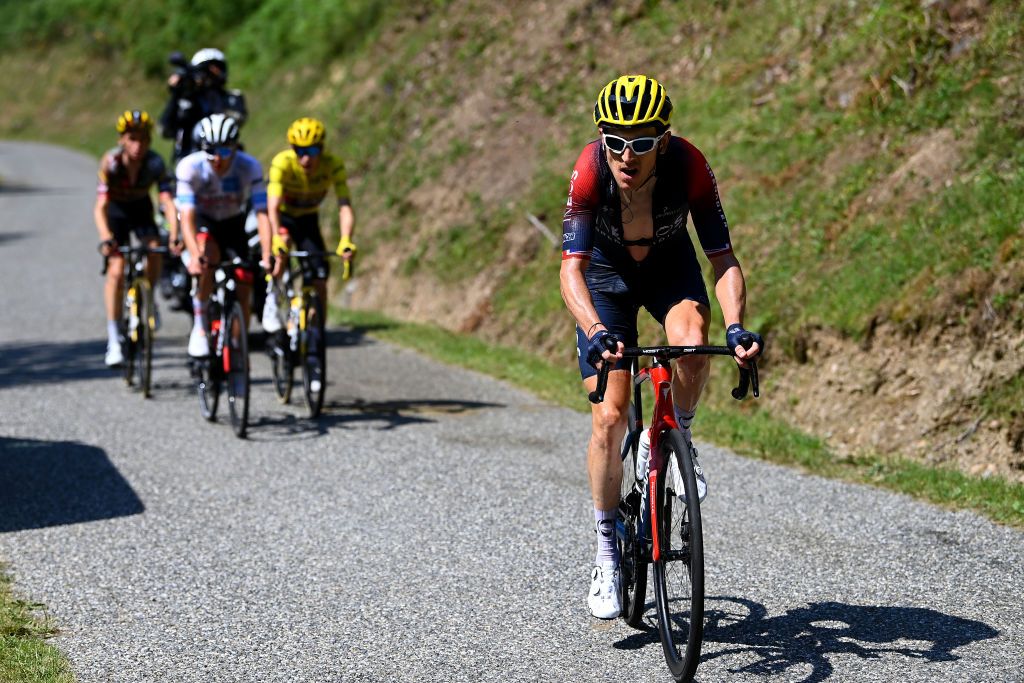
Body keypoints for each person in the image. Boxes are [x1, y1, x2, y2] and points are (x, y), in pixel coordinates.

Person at [559, 75, 763, 619]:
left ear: (663, 142)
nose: (628, 154)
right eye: (616, 140)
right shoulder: (589, 173)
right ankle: (606, 548)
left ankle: (676, 438)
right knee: (610, 415)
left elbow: (723, 259)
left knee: (693, 341)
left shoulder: (690, 168)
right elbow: (570, 271)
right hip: (604, 279)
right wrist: (596, 329)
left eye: (642, 142)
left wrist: (737, 327)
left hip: (670, 269)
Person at [176, 114, 271, 358]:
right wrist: (195, 256)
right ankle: (199, 324)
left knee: (244, 278)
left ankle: (238, 345)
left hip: (232, 222)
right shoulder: (190, 167)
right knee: (208, 257)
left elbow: (262, 213)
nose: (218, 159)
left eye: (225, 152)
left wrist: (268, 255)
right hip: (203, 221)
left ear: (235, 148)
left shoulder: (249, 166)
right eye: (211, 152)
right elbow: (186, 217)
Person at [94, 110, 179, 367]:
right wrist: (106, 237)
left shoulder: (154, 163)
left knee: (155, 250)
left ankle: (149, 297)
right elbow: (100, 207)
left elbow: (167, 201)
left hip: (141, 209)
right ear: (122, 139)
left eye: (143, 139)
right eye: (132, 138)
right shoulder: (111, 163)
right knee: (117, 272)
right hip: (117, 212)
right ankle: (114, 341)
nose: (137, 145)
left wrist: (175, 233)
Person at [261, 116, 356, 333]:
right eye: (300, 151)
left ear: (322, 149)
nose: (306, 159)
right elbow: (272, 207)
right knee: (282, 247)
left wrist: (346, 240)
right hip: (283, 218)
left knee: (320, 278)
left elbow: (344, 206)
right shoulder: (282, 164)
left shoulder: (333, 165)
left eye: (312, 151)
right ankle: (273, 297)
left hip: (307, 220)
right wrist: (276, 238)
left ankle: (317, 334)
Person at [159, 48, 248, 163]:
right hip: (190, 164)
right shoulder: (187, 101)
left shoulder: (232, 98)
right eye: (207, 70)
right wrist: (177, 94)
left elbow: (237, 119)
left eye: (217, 68)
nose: (214, 73)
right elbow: (165, 131)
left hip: (224, 160)